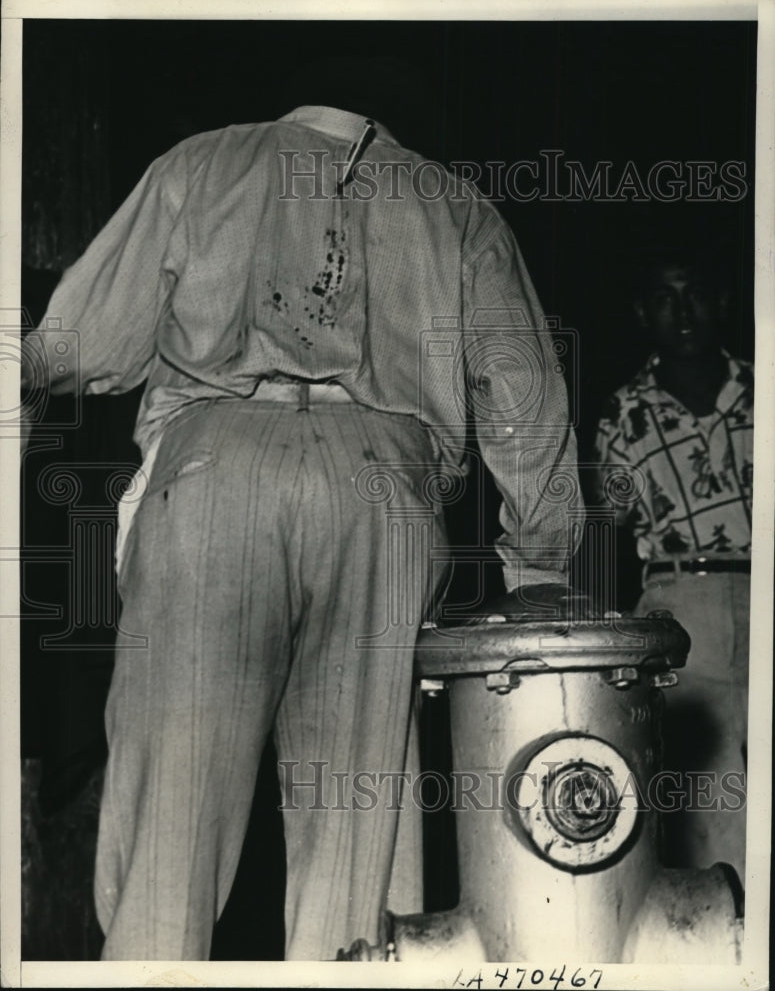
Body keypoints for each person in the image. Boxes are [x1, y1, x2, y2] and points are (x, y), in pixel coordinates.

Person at [21, 58, 582, 961]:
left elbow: (74, 342)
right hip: (382, 490)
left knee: (172, 815)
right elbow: (524, 399)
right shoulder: (453, 204)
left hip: (215, 470)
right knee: (358, 828)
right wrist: (542, 565)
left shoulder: (202, 163)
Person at [592, 243, 752, 883]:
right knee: (711, 802)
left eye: (695, 294)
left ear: (722, 303)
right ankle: (729, 938)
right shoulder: (624, 414)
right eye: (664, 297)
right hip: (681, 602)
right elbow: (606, 533)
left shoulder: (761, 387)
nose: (682, 311)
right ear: (642, 312)